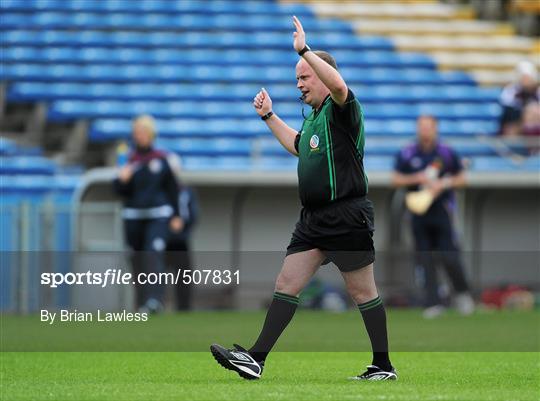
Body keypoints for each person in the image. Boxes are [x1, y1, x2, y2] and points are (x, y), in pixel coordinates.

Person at [210, 16, 396, 381]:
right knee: (286, 284)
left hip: (346, 215)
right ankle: (256, 359)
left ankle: (383, 366)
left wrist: (305, 50)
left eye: (305, 76)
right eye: (298, 77)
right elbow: (299, 146)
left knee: (363, 293)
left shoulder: (343, 111)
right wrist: (268, 116)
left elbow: (340, 87)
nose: (299, 83)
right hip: (313, 219)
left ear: (322, 74)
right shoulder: (314, 119)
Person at [392, 115, 475, 319]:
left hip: (442, 210)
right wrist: (416, 178)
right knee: (424, 258)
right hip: (418, 212)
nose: (424, 130)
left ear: (435, 128)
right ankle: (433, 302)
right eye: (421, 126)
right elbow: (395, 179)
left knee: (450, 255)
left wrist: (443, 185)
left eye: (428, 127)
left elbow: (462, 178)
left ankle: (462, 294)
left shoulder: (446, 152)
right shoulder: (408, 152)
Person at [113, 114, 183, 313]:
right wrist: (121, 181)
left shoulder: (161, 160)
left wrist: (177, 215)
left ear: (151, 134)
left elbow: (172, 189)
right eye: (137, 132)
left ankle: (155, 300)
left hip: (157, 215)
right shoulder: (128, 161)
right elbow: (119, 191)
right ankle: (142, 300)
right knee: (136, 259)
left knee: (153, 254)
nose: (140, 136)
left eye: (143, 132)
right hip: (133, 216)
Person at [165, 184, 199, 310]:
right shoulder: (160, 190)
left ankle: (184, 308)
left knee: (184, 277)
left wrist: (182, 224)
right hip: (162, 240)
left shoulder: (187, 192)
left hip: (181, 241)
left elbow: (194, 215)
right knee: (155, 277)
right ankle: (154, 305)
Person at [499, 60, 539, 137]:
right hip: (514, 123)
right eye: (524, 77)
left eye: (528, 78)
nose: (526, 80)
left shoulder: (537, 92)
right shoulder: (510, 91)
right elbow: (507, 113)